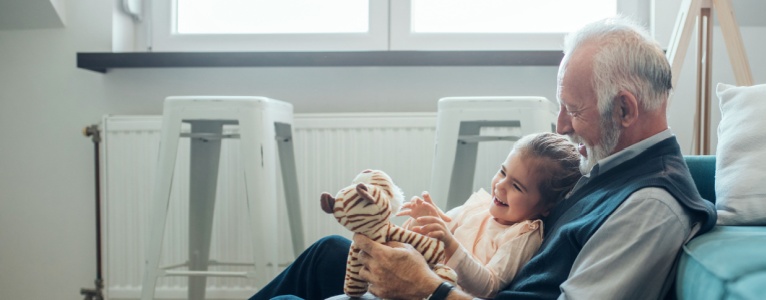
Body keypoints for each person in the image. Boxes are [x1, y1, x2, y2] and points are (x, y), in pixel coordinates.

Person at [252, 16, 717, 300]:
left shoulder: (649, 209)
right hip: (469, 286)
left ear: (625, 109)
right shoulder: (609, 163)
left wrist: (428, 289)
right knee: (326, 256)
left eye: (573, 110)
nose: (561, 126)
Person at [396, 132, 582, 298]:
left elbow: (489, 286)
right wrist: (425, 218)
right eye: (502, 172)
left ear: (546, 207)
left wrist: (449, 242)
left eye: (516, 186)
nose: (501, 185)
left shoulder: (523, 234)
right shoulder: (480, 206)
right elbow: (435, 239)